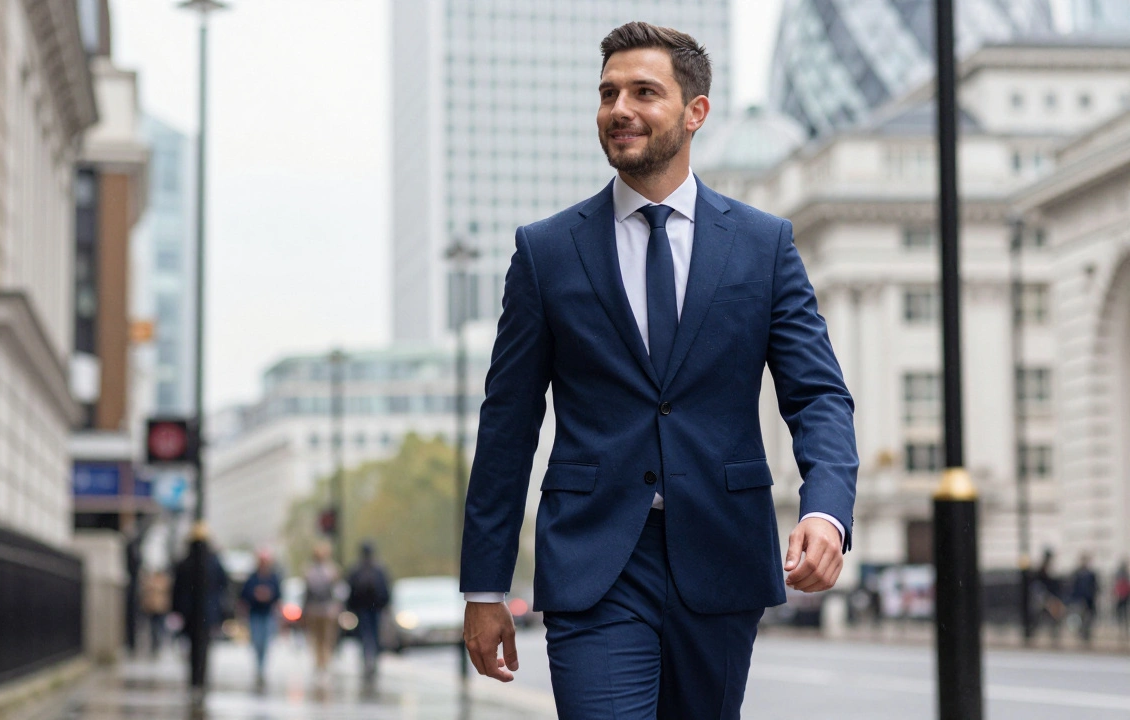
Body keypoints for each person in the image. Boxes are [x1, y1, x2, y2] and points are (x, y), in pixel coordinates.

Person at [459, 22, 858, 718]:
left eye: (644, 92)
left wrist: (826, 509)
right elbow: (507, 425)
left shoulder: (764, 246)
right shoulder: (547, 252)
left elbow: (818, 393)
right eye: (609, 93)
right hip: (595, 559)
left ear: (695, 112)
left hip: (721, 550)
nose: (620, 109)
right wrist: (485, 588)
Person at [345, 542, 391, 682]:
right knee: (375, 634)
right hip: (375, 608)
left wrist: (351, 607)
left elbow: (350, 590)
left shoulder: (356, 569)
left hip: (362, 609)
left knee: (365, 635)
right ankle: (373, 659)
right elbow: (386, 589)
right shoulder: (379, 569)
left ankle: (367, 659)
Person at [240, 550, 283, 685]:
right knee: (256, 641)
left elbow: (278, 596)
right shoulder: (252, 578)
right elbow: (244, 596)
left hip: (268, 614)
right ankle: (258, 666)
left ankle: (262, 667)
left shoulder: (273, 577)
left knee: (266, 642)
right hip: (255, 614)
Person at [302, 541, 342, 677]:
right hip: (326, 610)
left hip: (316, 610)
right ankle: (323, 662)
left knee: (318, 638)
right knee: (325, 638)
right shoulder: (331, 571)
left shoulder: (310, 571)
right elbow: (337, 592)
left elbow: (307, 593)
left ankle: (321, 662)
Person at [139, 568, 172, 654]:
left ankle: (158, 642)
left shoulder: (163, 581)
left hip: (160, 608)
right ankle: (155, 643)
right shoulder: (151, 581)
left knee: (159, 626)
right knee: (154, 627)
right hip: (152, 608)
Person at [1070, 553, 1099, 645]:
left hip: (1089, 600)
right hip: (1080, 600)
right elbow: (1073, 587)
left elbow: (1095, 586)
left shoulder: (1091, 574)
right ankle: (1081, 633)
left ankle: (1086, 633)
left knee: (1088, 617)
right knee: (1080, 617)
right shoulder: (1077, 573)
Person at [1114, 560, 1130, 641]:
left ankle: (1123, 631)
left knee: (1123, 615)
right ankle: (1121, 631)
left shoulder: (1124, 576)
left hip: (1123, 597)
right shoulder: (1122, 576)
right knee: (1121, 615)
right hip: (1121, 597)